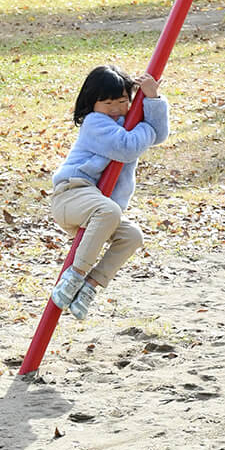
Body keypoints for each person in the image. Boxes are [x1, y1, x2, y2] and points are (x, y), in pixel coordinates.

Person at [49, 65, 170, 319]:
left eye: (123, 101)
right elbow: (128, 147)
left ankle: (90, 286)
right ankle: (75, 275)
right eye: (107, 103)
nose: (115, 109)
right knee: (108, 210)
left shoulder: (126, 123)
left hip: (99, 211)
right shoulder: (96, 123)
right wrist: (147, 128)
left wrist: (153, 100)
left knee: (132, 236)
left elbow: (160, 135)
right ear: (92, 103)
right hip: (71, 194)